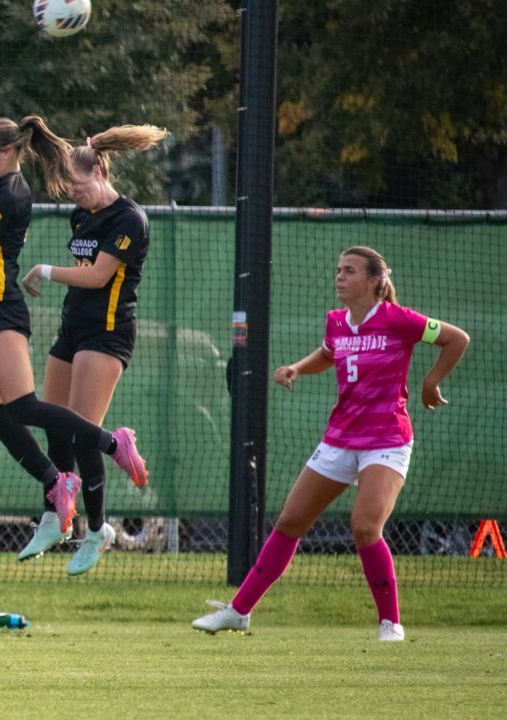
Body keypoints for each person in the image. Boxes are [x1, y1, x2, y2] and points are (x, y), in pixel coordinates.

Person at [192, 246, 469, 642]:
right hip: (341, 437)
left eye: (350, 271)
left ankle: (390, 623)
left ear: (375, 282)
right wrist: (297, 369)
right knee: (290, 522)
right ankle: (238, 611)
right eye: (338, 270)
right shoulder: (337, 321)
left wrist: (431, 382)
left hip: (386, 440)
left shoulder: (400, 320)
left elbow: (457, 339)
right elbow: (329, 353)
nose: (340, 277)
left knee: (364, 526)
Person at [0, 116, 148, 554]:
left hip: (90, 328)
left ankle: (98, 513)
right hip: (42, 322)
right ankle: (55, 494)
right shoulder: (72, 213)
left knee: (36, 411)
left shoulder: (24, 194)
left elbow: (96, 277)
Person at [18, 125, 168, 573]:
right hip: (73, 328)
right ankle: (55, 516)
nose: (76, 197)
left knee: (83, 430)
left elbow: (98, 277)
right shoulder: (80, 217)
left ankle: (97, 528)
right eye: (69, 191)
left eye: (80, 187)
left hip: (107, 333)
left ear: (100, 171)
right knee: (53, 422)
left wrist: (44, 269)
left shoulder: (129, 219)